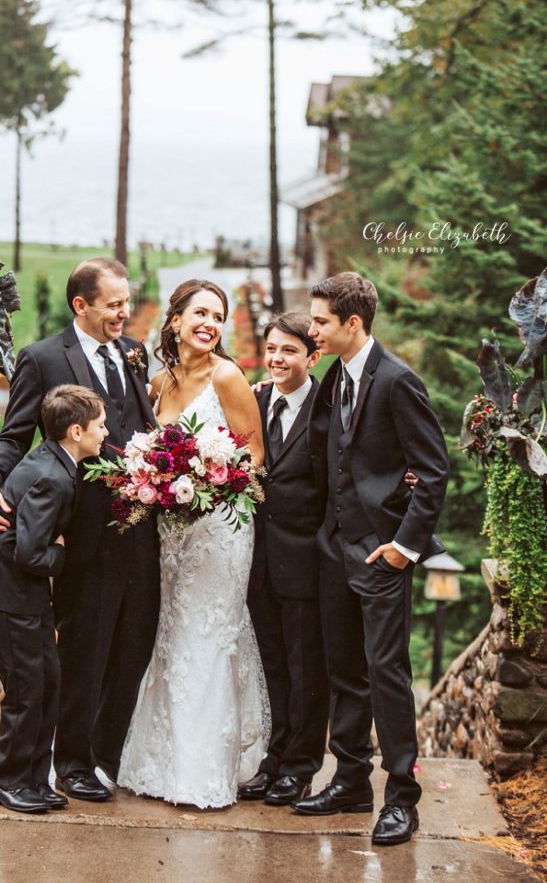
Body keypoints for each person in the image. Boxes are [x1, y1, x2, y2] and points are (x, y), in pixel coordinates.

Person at [0, 258, 160, 803]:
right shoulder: (42, 358)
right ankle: (71, 765)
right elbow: (13, 437)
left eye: (128, 301)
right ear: (81, 305)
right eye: (115, 304)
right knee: (82, 650)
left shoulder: (134, 353)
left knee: (133, 645)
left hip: (141, 529)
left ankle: (106, 756)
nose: (125, 313)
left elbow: (139, 427)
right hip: (77, 535)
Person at [292, 272, 449, 847]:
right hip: (334, 549)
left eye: (320, 323)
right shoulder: (335, 377)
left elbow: (432, 471)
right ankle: (351, 781)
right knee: (345, 673)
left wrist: (404, 547)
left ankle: (401, 801)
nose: (312, 331)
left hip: (383, 554)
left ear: (352, 323)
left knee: (387, 674)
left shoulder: (398, 381)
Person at [117, 279, 270, 809]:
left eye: (218, 315)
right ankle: (158, 762)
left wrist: (210, 478)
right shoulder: (158, 382)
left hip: (220, 532)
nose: (210, 323)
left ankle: (205, 771)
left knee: (206, 636)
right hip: (171, 530)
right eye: (200, 312)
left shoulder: (227, 376)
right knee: (171, 635)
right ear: (175, 320)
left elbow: (256, 459)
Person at [0, 385, 108, 814]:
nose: (106, 432)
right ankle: (8, 782)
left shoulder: (56, 460)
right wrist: (61, 551)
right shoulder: (52, 477)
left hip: (25, 597)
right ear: (76, 431)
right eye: (100, 425)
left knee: (48, 682)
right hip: (8, 596)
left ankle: (33, 778)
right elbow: (30, 553)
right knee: (28, 691)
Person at [239, 312, 330, 807]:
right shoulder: (252, 400)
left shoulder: (328, 408)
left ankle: (300, 768)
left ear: (312, 357)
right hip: (256, 561)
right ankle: (273, 762)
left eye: (289, 351)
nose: (277, 359)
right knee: (272, 665)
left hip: (307, 562)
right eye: (272, 349)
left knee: (305, 671)